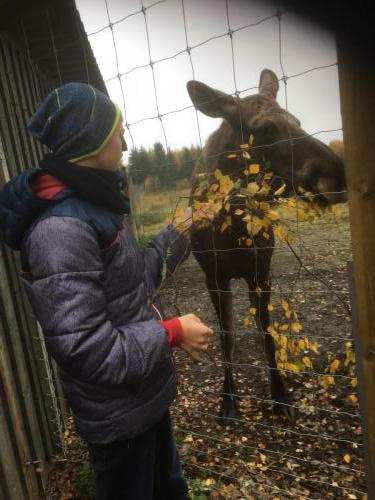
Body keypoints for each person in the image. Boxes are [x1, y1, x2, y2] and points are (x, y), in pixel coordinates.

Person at [0, 82, 213, 499]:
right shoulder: (60, 230)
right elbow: (87, 349)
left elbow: (134, 282)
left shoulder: (93, 206)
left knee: (169, 489)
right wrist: (171, 332)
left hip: (143, 399)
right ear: (91, 141)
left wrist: (181, 229)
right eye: (118, 131)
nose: (126, 141)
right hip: (119, 420)